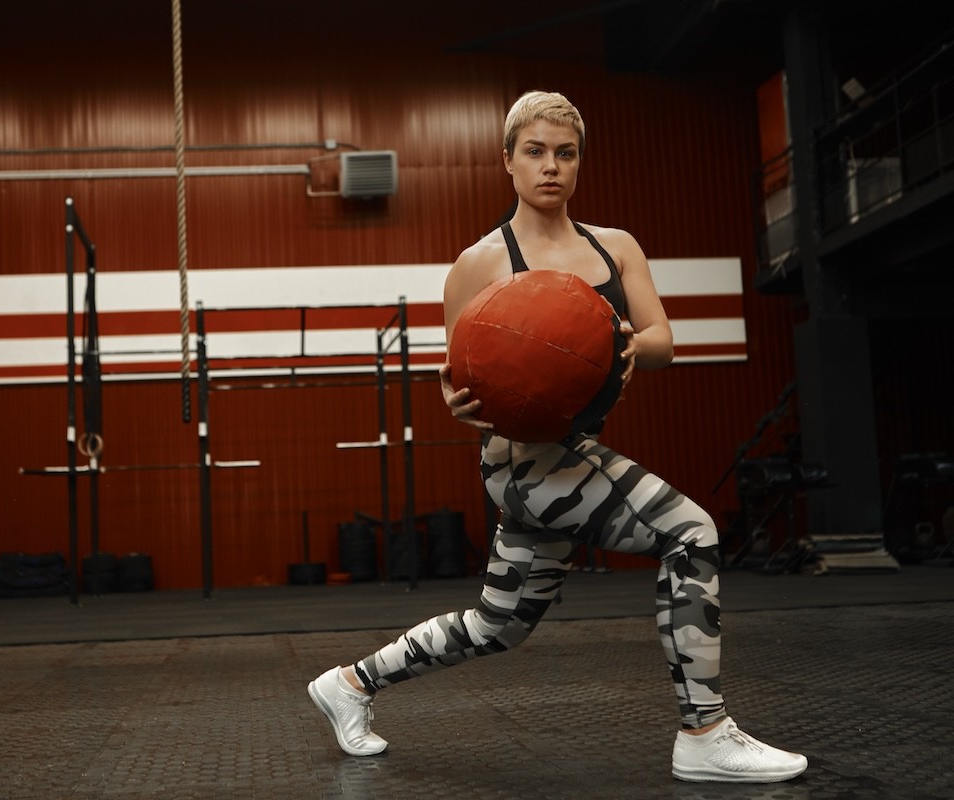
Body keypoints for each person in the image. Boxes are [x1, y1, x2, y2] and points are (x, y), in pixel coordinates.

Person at [307, 90, 808, 784]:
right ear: (507, 161)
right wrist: (457, 400)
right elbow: (457, 378)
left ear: (579, 163)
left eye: (565, 154)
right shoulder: (480, 263)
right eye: (535, 152)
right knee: (691, 533)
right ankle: (704, 732)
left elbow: (662, 337)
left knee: (500, 624)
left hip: (572, 451)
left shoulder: (615, 247)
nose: (552, 167)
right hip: (520, 461)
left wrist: (634, 346)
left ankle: (350, 685)